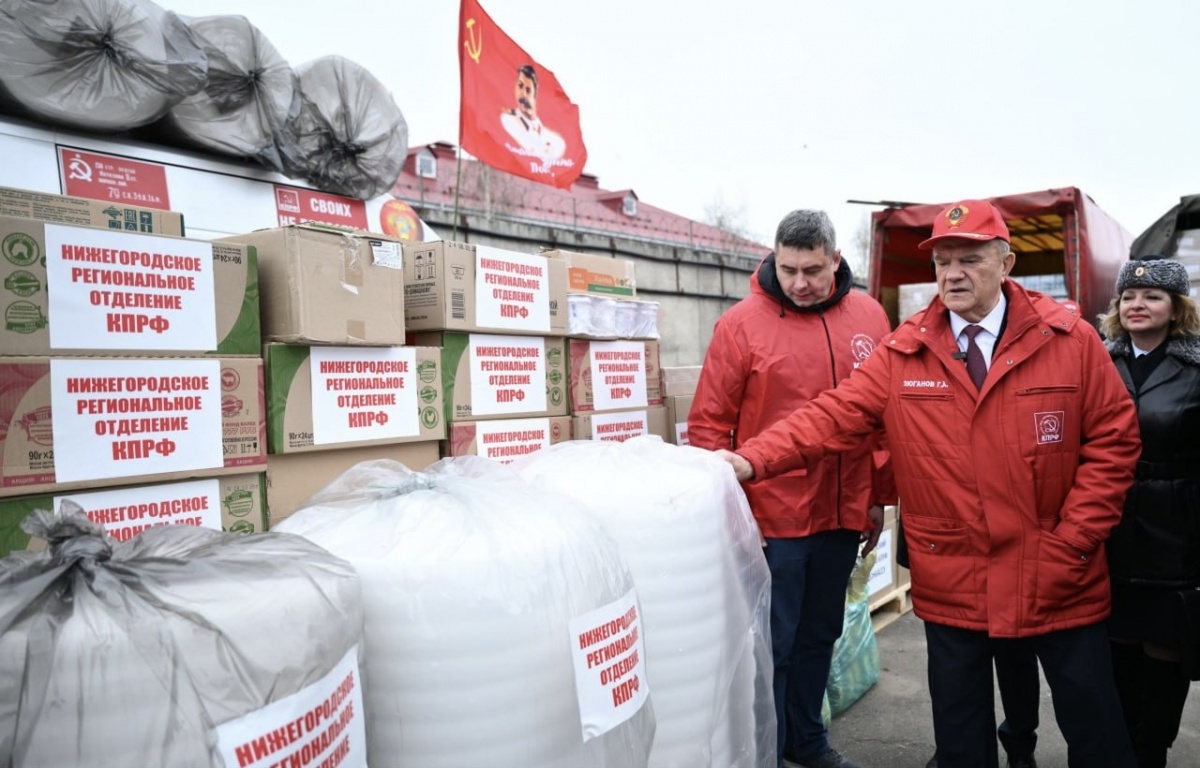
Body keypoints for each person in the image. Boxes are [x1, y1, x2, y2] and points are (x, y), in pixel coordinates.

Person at [714, 199, 1142, 768]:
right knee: (961, 736)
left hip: (1058, 571)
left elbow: (1113, 442)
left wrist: (1074, 541)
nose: (953, 274)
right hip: (956, 577)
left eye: (970, 259)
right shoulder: (905, 351)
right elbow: (831, 416)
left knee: (1094, 728)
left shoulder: (1068, 339)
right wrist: (748, 462)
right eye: (943, 261)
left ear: (1006, 262)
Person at [688, 209, 895, 768]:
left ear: (836, 260)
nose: (799, 283)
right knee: (772, 646)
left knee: (819, 635)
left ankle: (807, 741)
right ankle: (768, 751)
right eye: (788, 269)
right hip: (772, 519)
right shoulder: (741, 325)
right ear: (773, 258)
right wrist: (732, 518)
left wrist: (874, 497)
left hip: (842, 509)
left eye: (812, 270)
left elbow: (878, 420)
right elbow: (710, 428)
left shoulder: (871, 318)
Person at [1099, 255, 1200, 768]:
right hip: (1108, 527)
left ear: (1176, 307)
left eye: (1152, 296)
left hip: (1174, 531)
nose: (1137, 304)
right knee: (1114, 646)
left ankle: (1151, 751)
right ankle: (1118, 751)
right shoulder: (1097, 361)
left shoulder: (1196, 367)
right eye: (1128, 297)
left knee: (1165, 648)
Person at [499, 64, 565, 163]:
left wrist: (533, 118)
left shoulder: (551, 136)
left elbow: (560, 149)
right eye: (520, 86)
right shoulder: (508, 119)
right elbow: (527, 147)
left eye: (528, 90)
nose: (523, 94)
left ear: (535, 94)